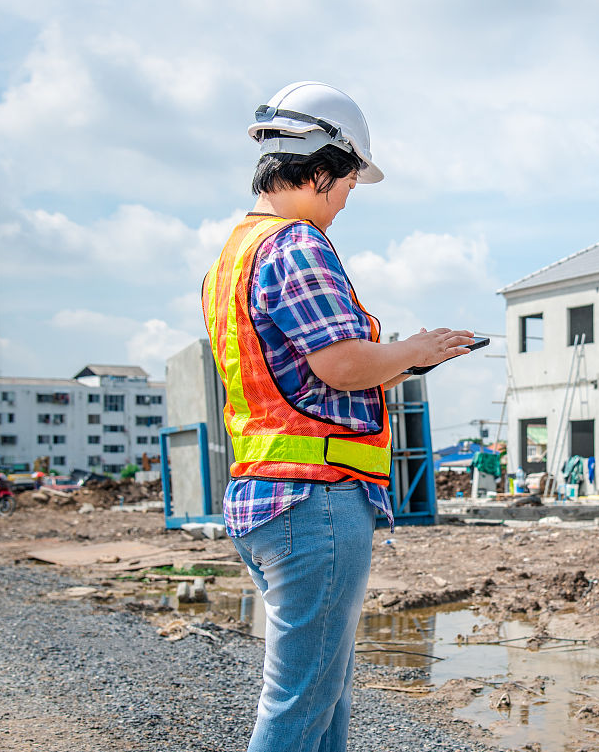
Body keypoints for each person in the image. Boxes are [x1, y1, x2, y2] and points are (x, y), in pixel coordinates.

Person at [202, 81, 473, 752]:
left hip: (269, 496)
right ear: (321, 165)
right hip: (313, 502)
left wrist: (411, 360)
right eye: (350, 178)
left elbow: (306, 378)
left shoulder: (232, 255)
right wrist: (407, 348)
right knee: (297, 708)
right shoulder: (297, 243)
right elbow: (340, 365)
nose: (351, 194)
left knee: (322, 699)